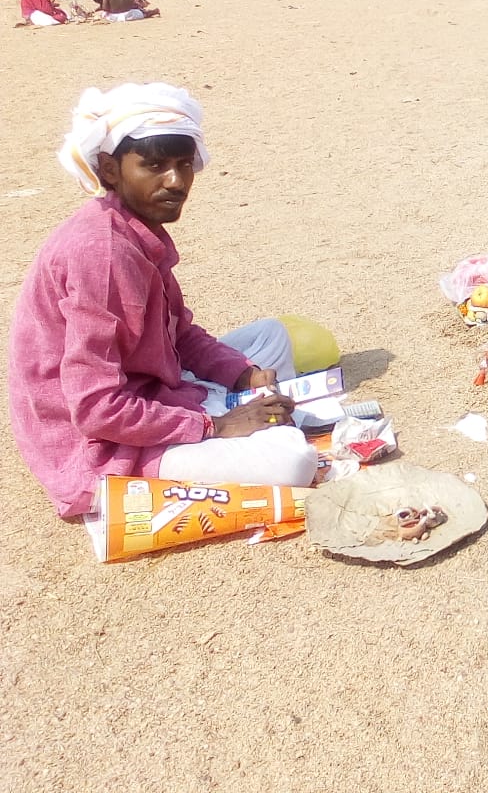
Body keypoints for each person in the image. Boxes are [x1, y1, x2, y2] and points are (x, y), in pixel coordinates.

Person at [8, 83, 318, 519]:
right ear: (110, 169)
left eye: (184, 165)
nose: (175, 182)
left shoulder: (134, 227)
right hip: (99, 440)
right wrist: (216, 425)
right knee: (293, 463)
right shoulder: (102, 254)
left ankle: (230, 404)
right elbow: (96, 410)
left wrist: (242, 375)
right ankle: (223, 416)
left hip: (144, 388)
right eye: (154, 166)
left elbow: (179, 334)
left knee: (271, 337)